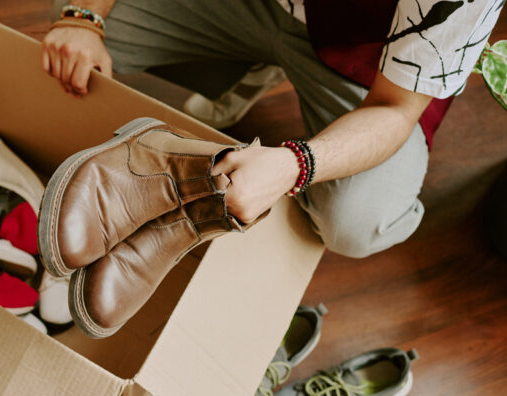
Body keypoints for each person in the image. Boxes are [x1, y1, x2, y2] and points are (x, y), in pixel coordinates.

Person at [41, 0, 504, 258]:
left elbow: (396, 106)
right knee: (68, 63)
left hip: (370, 63)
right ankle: (250, 67)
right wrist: (84, 15)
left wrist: (294, 164)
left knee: (356, 222)